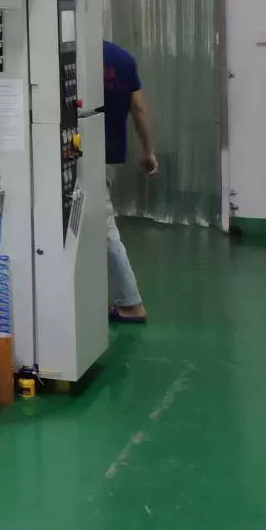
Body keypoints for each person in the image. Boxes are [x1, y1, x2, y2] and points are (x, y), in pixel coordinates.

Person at [103, 40, 157, 323]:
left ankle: (130, 303)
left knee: (105, 228)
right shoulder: (123, 58)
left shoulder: (72, 53)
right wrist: (147, 150)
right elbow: (138, 108)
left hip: (79, 152)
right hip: (110, 153)